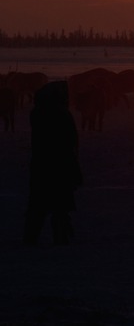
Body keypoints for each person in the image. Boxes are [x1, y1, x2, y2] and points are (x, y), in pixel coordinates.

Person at [23, 81, 83, 245]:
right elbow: (70, 141)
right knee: (60, 206)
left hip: (41, 167)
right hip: (59, 166)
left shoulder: (37, 113)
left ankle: (31, 237)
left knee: (38, 206)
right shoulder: (61, 114)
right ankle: (60, 238)